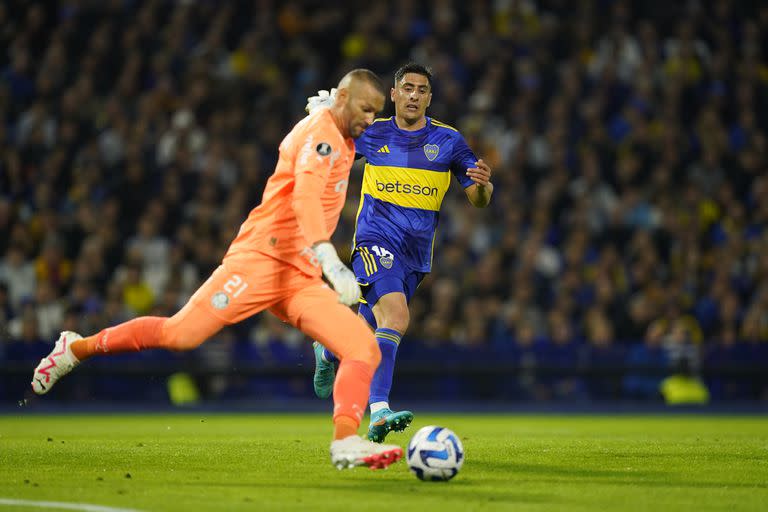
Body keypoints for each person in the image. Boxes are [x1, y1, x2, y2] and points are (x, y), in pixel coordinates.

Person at [31, 69, 404, 470]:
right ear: (344, 96)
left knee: (362, 347)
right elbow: (306, 199)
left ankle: (345, 442)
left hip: (298, 276)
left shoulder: (337, 131)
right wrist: (332, 261)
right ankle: (76, 347)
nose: (371, 119)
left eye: (376, 112)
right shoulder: (325, 135)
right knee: (181, 335)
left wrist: (333, 112)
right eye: (366, 109)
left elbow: (322, 142)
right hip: (261, 259)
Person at [307, 63, 493, 442]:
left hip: (416, 255)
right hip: (375, 242)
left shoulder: (449, 141)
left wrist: (484, 186)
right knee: (396, 315)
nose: (413, 95)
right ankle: (378, 410)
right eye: (407, 88)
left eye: (421, 89)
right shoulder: (372, 133)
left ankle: (328, 352)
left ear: (429, 97)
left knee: (370, 328)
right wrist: (322, 121)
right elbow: (326, 154)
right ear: (393, 94)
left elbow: (478, 200)